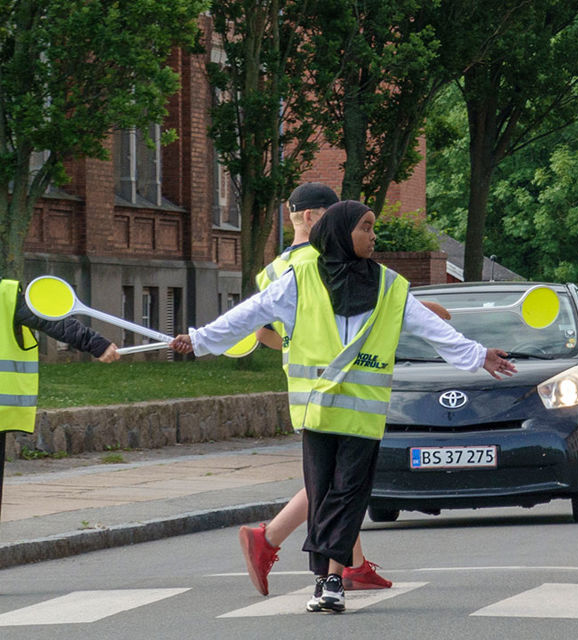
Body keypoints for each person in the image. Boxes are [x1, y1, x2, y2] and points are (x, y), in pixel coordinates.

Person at [171, 200, 517, 614]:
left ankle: (332, 579)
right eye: (365, 227)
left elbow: (433, 330)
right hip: (317, 411)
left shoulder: (390, 285)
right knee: (323, 496)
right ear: (339, 232)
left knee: (348, 494)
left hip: (362, 414)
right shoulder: (299, 280)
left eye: (373, 227)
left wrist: (479, 356)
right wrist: (200, 339)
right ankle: (324, 581)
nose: (374, 235)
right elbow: (251, 314)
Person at [238, 183, 393, 595]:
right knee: (339, 478)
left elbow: (264, 334)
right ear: (312, 218)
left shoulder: (274, 268)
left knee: (334, 475)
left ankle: (352, 565)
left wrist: (296, 345)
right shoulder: (320, 260)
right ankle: (271, 537)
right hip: (340, 381)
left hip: (302, 385)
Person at [0, 278, 120, 514]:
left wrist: (95, 343)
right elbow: (49, 321)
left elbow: (49, 320)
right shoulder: (5, 295)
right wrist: (95, 344)